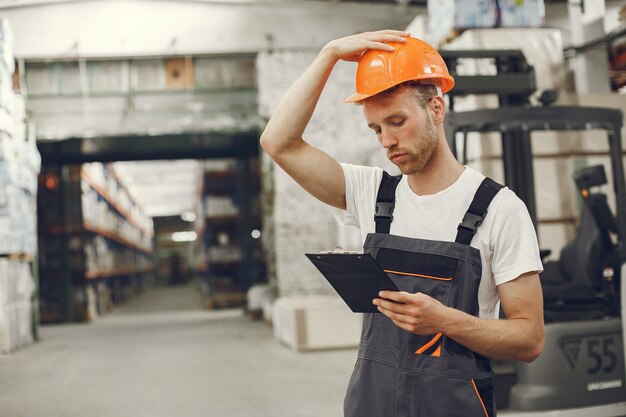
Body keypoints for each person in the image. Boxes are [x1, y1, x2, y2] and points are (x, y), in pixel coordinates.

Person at [260, 30, 544, 417]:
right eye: (376, 128)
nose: (386, 141)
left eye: (397, 121)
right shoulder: (372, 195)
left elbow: (529, 339)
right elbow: (279, 142)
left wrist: (443, 319)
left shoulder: (498, 209)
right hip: (373, 402)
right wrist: (327, 54)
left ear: (436, 109)